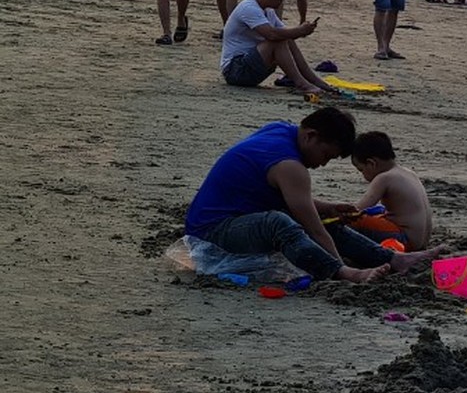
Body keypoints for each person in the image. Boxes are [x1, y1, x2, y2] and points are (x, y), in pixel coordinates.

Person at [182, 107, 445, 283]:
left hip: (236, 217)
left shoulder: (279, 129)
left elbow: (280, 195)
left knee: (325, 220)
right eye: (325, 155)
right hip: (213, 231)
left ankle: (394, 258)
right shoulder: (290, 166)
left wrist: (328, 208)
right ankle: (343, 272)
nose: (322, 164)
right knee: (283, 223)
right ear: (310, 136)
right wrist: (342, 266)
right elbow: (315, 230)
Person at [219, 0, 332, 96]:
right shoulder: (249, 8)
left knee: (287, 39)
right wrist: (300, 30)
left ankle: (313, 80)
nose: (282, 0)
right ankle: (301, 83)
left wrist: (302, 31)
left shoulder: (268, 10)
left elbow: (286, 34)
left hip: (250, 66)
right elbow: (272, 35)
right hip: (235, 70)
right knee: (278, 41)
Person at [345, 131, 433, 250]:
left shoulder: (384, 178)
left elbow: (358, 209)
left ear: (371, 163)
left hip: (404, 240)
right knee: (378, 211)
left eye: (361, 170)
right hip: (421, 240)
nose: (363, 175)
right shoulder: (408, 173)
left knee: (354, 221)